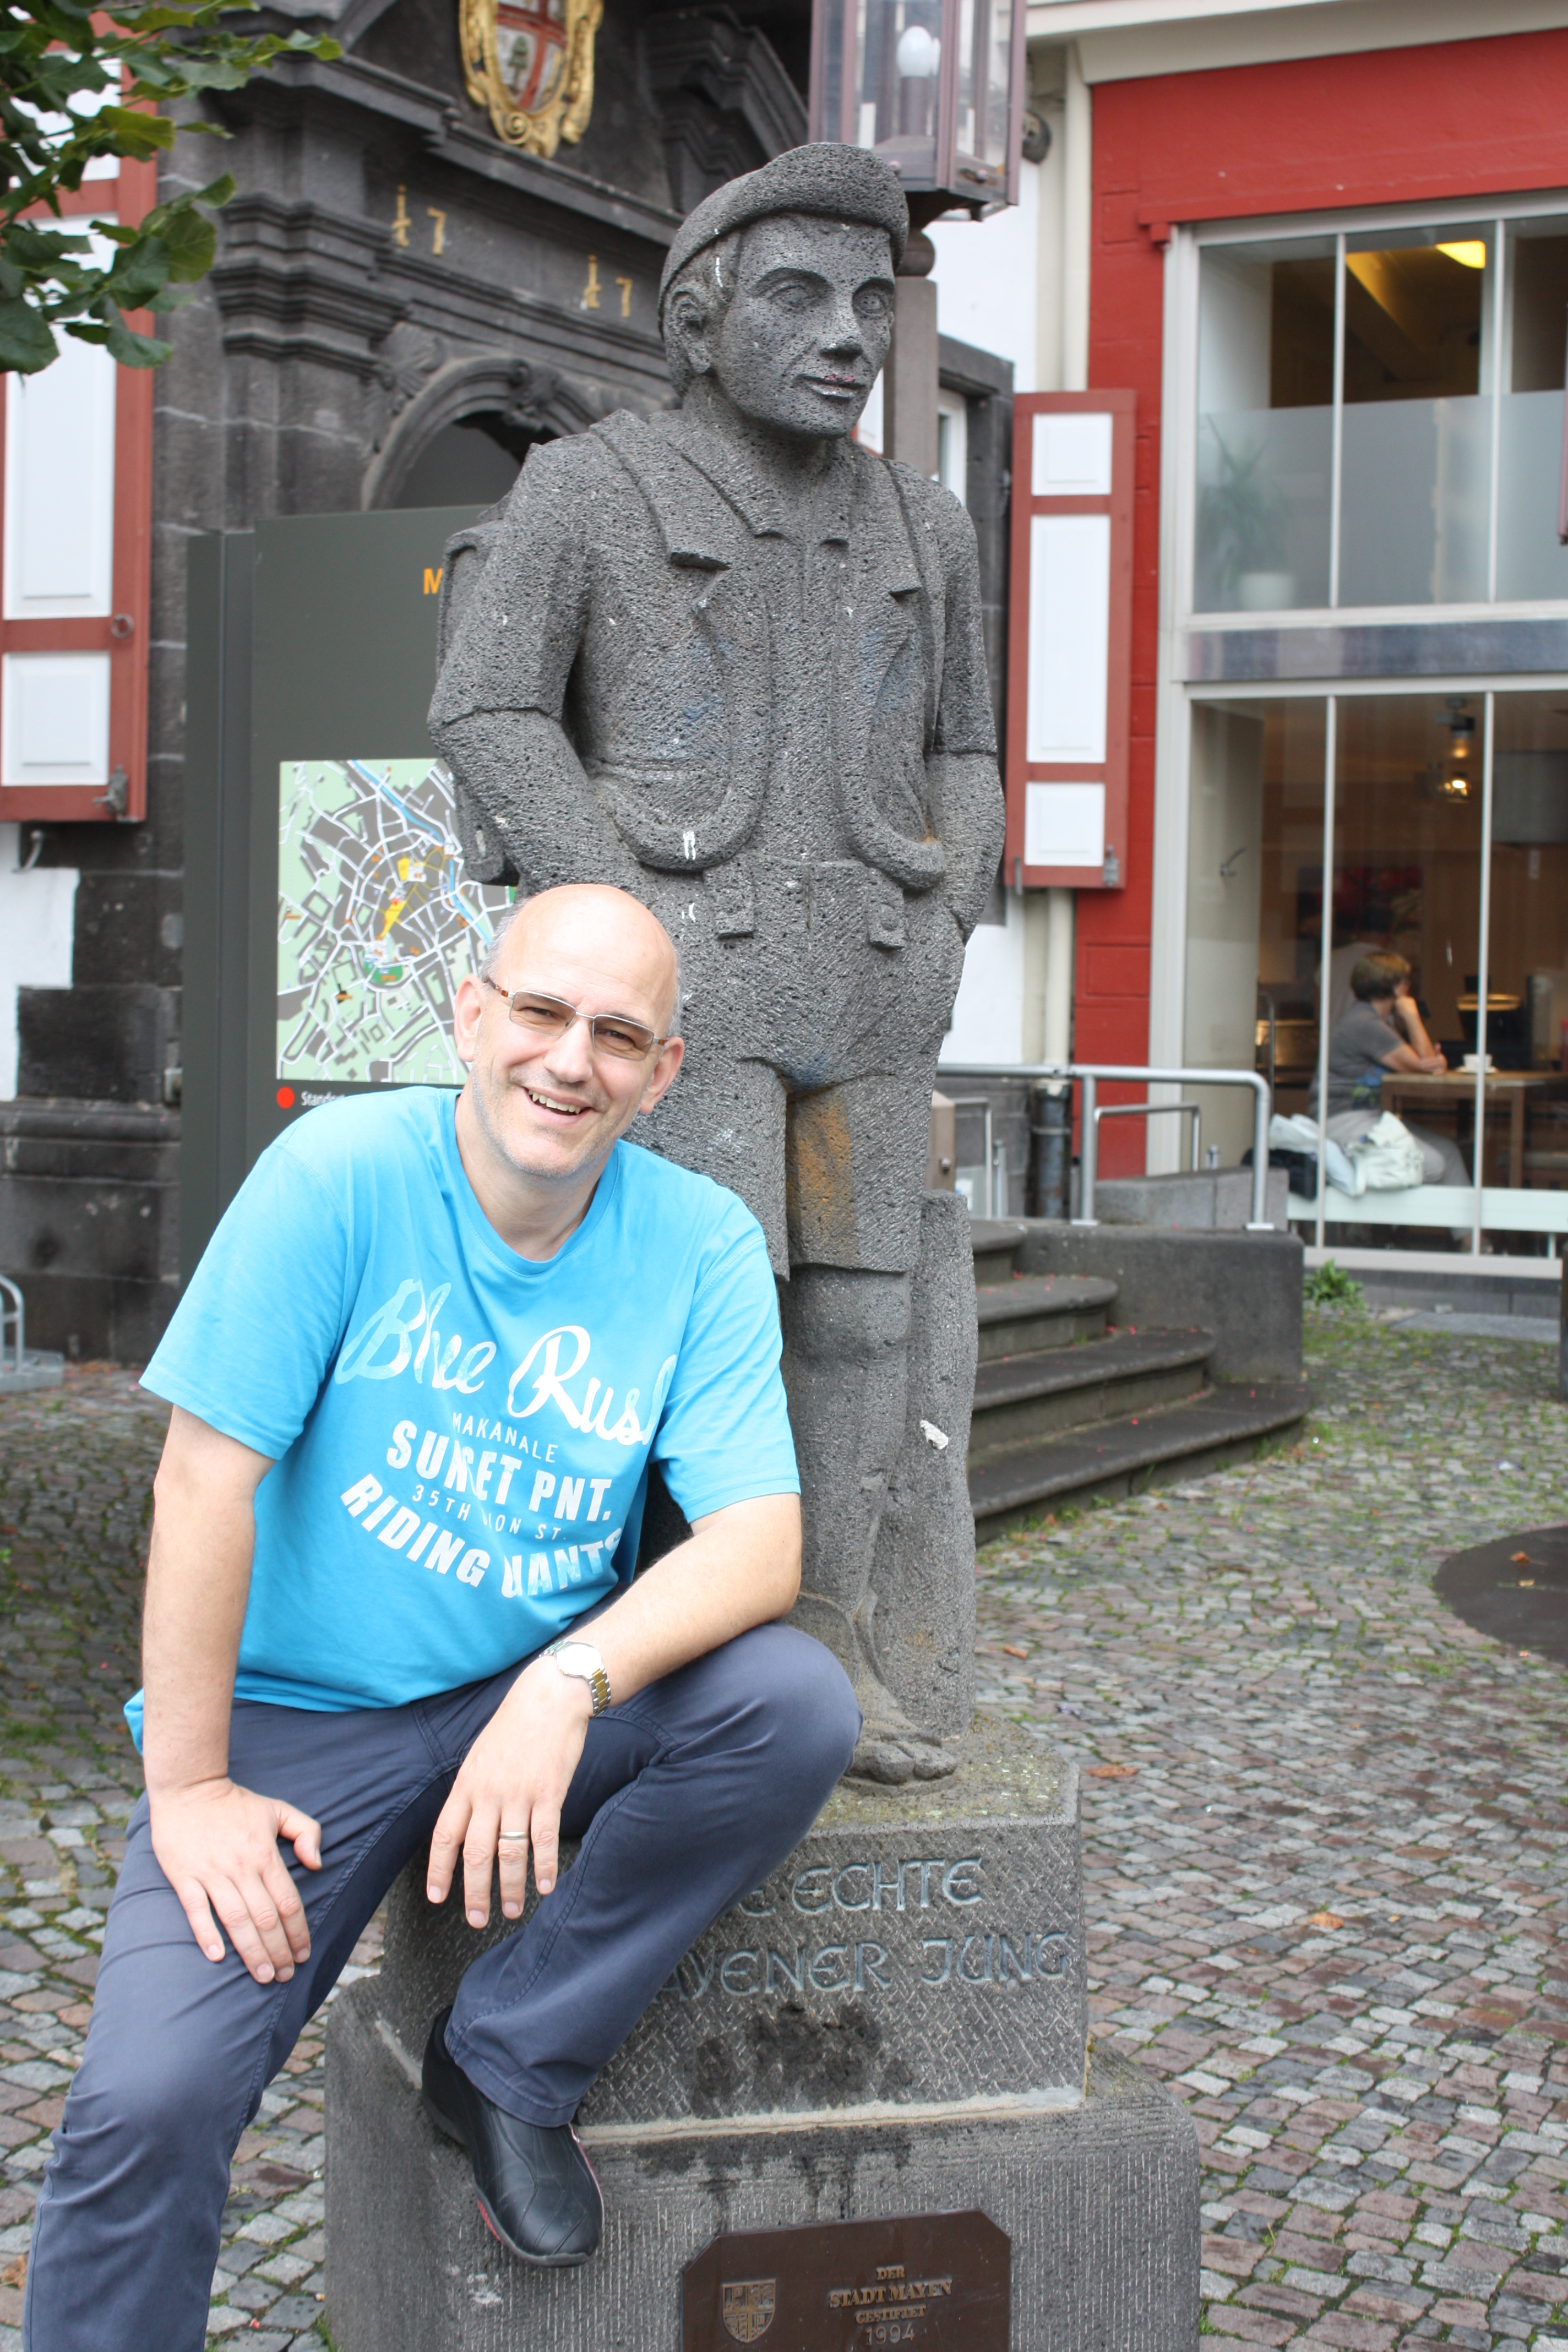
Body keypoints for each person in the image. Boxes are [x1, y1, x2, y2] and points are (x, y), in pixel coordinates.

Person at [24, 883, 860, 2352]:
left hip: (520, 1686)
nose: (568, 1060)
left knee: (791, 1706)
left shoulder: (700, 1242)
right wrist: (193, 1786)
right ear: (472, 1016)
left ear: (661, 1074)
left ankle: (511, 2056)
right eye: (540, 1011)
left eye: (617, 1034)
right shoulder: (337, 1175)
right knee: (146, 2103)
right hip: (296, 1720)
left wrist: (567, 1687)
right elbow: (204, 1483)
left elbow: (757, 1542)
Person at [428, 143, 1005, 1755]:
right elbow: (485, 706)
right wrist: (616, 921)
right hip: (690, 997)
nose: (845, 333)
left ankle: (830, 1652)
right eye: (799, 295)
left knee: (867, 1319)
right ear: (700, 318)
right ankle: (684, 1659)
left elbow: (969, 744)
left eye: (869, 303)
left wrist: (951, 901)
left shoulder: (928, 521)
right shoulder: (591, 488)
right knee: (713, 1307)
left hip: (876, 983)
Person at [1308, 948, 1469, 1194]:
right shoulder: (1366, 1023)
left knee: (1449, 1153)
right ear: (1394, 987)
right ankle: (1370, 1221)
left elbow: (1426, 1065)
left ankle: (1472, 1236)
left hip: (1370, 1117)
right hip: (1342, 1120)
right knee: (1434, 1164)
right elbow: (1426, 1065)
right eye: (1406, 981)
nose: (1409, 987)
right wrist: (1412, 1015)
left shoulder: (1374, 1021)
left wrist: (1431, 1062)